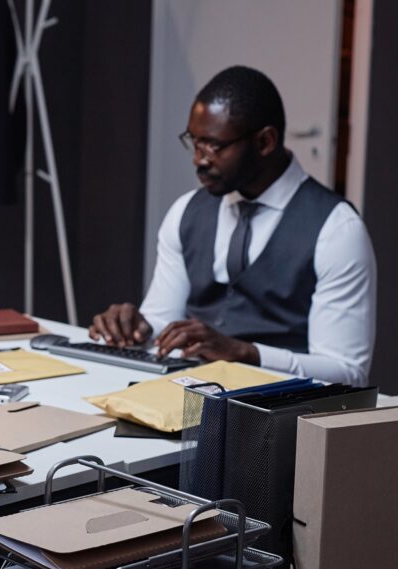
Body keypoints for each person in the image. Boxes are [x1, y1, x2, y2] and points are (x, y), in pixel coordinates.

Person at [89, 66, 376, 387]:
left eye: (213, 146)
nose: (199, 159)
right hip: (186, 396)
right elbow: (163, 320)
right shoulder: (186, 211)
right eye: (194, 142)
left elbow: (348, 372)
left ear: (265, 141)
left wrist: (245, 352)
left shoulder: (337, 230)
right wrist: (137, 327)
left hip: (280, 415)